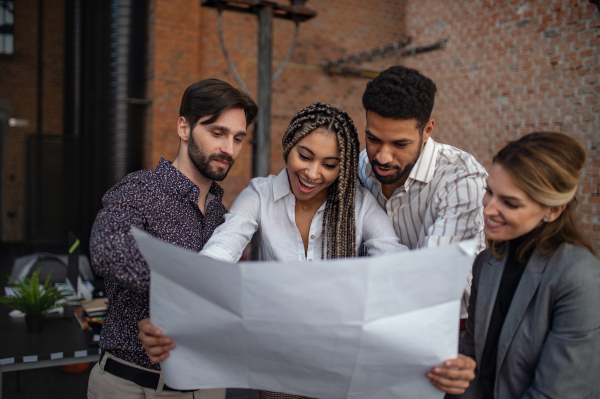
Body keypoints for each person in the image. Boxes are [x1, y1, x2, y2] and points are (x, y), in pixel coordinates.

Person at [139, 103, 477, 398]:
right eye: (305, 156)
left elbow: (396, 265)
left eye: (330, 164)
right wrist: (178, 311)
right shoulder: (260, 195)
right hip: (277, 371)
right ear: (288, 145)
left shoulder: (360, 206)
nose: (313, 173)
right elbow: (220, 251)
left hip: (342, 371)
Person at [87, 78, 258, 399]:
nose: (229, 149)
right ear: (184, 127)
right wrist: (180, 295)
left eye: (238, 138)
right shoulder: (141, 189)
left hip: (207, 383)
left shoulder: (226, 217)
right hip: (130, 384)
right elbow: (107, 250)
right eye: (217, 133)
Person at [452, 132, 600, 398]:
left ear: (553, 210)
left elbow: (557, 393)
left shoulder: (580, 277)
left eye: (510, 203)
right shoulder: (486, 264)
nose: (487, 209)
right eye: (489, 191)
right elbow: (471, 363)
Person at [358, 65, 488, 321]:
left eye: (400, 144)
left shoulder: (461, 179)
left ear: (427, 130)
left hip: (451, 330)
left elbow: (431, 278)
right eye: (373, 139)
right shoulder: (360, 166)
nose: (382, 157)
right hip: (374, 318)